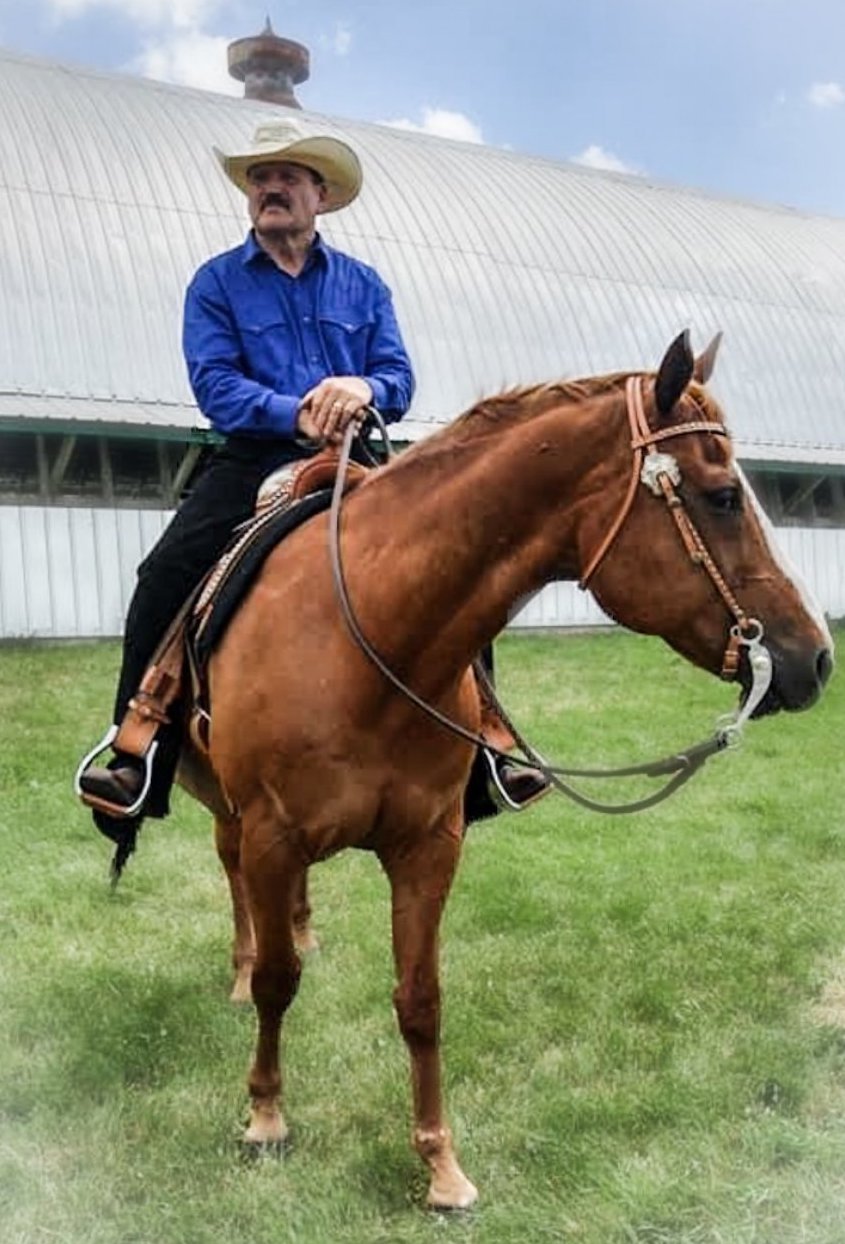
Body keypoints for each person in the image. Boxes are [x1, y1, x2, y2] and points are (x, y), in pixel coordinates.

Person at [77, 117, 547, 835]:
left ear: (319, 197)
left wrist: (363, 389)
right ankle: (137, 746)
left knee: (459, 570)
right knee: (163, 573)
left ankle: (488, 740)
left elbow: (398, 377)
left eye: (287, 178)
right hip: (256, 455)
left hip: (360, 458)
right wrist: (298, 413)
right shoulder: (215, 283)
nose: (271, 188)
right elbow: (215, 386)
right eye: (259, 178)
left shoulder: (363, 284)